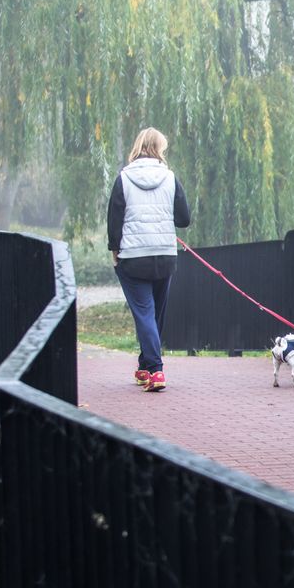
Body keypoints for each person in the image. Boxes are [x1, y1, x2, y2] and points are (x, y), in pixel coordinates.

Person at [107, 127, 191, 392]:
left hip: (133, 256)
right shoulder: (170, 178)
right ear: (159, 149)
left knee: (144, 312)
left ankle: (155, 370)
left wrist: (114, 250)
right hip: (164, 255)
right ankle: (145, 367)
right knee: (156, 313)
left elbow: (114, 220)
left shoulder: (124, 178)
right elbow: (184, 219)